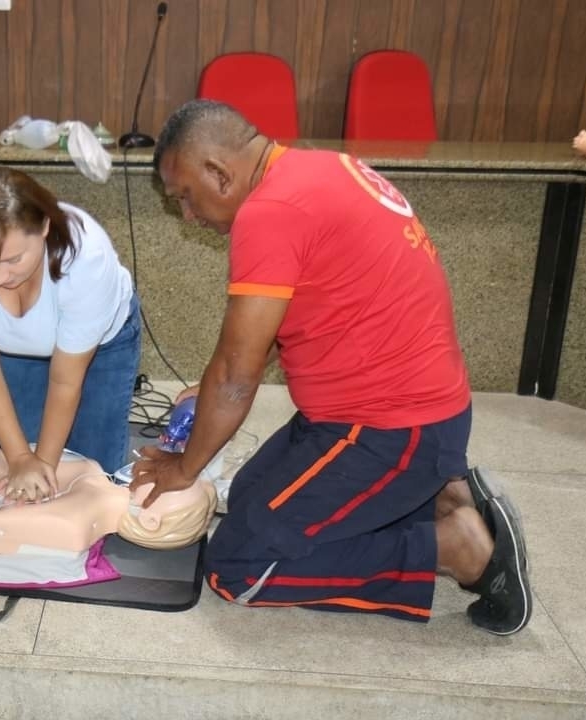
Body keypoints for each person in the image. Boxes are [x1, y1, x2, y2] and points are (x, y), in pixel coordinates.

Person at [130, 99, 531, 635]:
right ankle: (437, 495)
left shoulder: (269, 212)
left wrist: (184, 468)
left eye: (184, 197)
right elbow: (268, 329)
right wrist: (202, 395)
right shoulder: (319, 167)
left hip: (392, 429)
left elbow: (236, 374)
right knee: (249, 499)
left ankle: (456, 547)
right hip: (395, 416)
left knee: (240, 564)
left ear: (219, 172)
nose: (188, 215)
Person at [0, 167, 140, 501]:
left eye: (13, 259)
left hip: (102, 348)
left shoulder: (86, 258)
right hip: (14, 349)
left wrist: (43, 461)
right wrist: (20, 458)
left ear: (44, 227)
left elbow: (66, 381)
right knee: (15, 465)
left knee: (93, 475)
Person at [0, 448, 216, 554]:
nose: (171, 474)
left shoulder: (74, 524)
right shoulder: (92, 473)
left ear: (150, 521)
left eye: (177, 485)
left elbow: (0, 519)